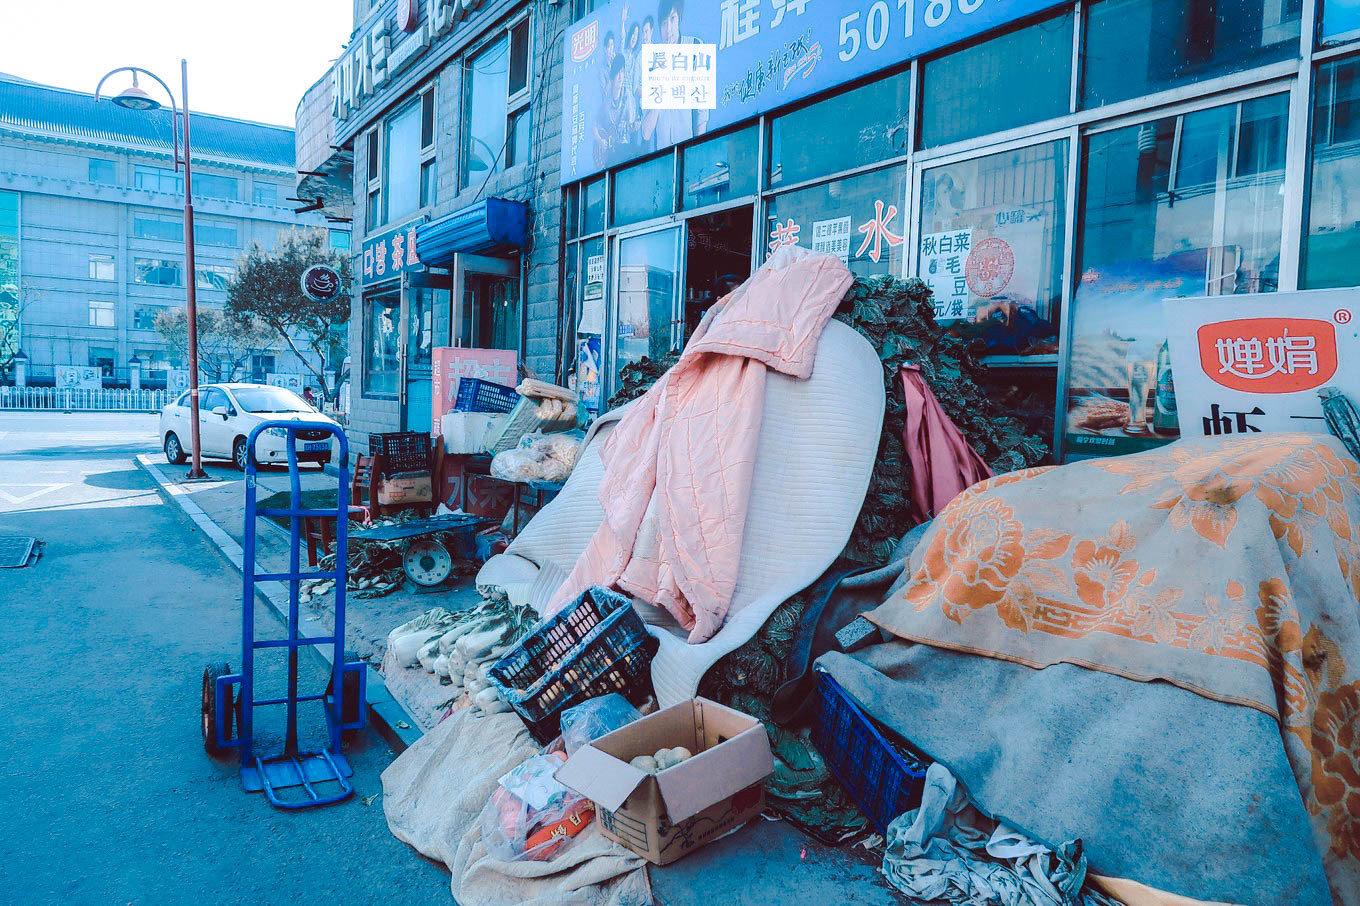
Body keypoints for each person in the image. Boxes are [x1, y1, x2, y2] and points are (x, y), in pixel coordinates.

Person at [641, 0, 709, 147]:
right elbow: (646, 132)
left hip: (689, 147)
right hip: (664, 153)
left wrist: (699, 148)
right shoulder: (653, 62)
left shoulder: (695, 46)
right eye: (664, 23)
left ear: (679, 18)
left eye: (673, 19)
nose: (668, 29)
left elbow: (702, 112)